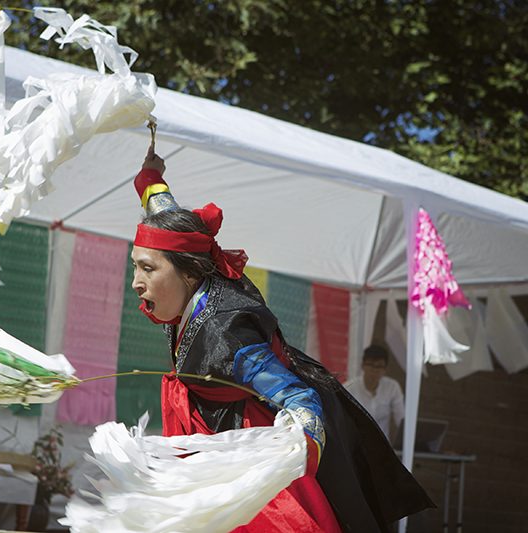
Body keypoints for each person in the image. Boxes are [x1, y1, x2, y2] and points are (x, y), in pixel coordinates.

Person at [130, 147, 433, 532]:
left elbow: (297, 397)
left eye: (147, 269)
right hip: (214, 432)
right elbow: (165, 213)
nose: (136, 282)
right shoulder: (193, 261)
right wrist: (152, 180)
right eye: (135, 266)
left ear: (188, 273)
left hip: (245, 439)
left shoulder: (226, 333)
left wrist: (293, 452)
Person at [344, 345, 405, 443]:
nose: (375, 370)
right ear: (363, 366)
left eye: (379, 366)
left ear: (385, 369)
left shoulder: (392, 387)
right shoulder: (349, 388)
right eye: (371, 365)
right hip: (354, 446)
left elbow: (401, 420)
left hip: (381, 447)